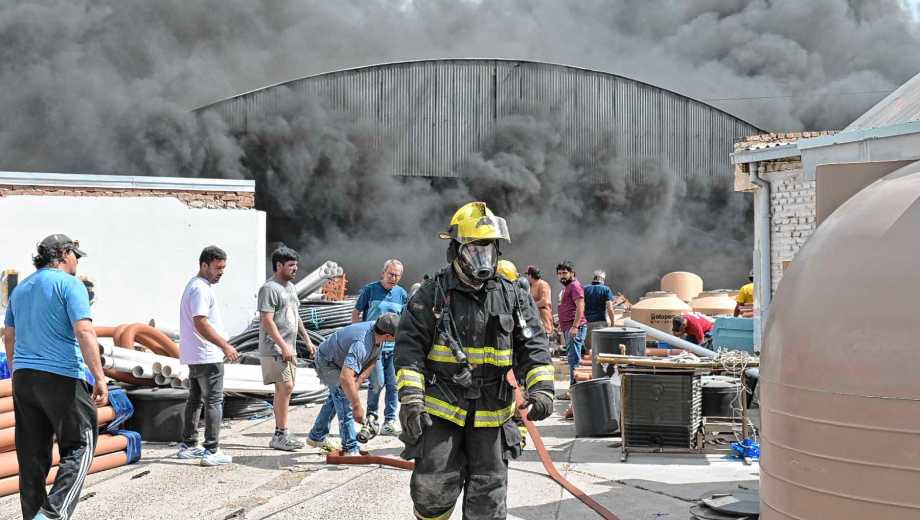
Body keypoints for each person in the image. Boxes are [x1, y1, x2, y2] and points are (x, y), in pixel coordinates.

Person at [395, 202, 555, 520]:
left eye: (488, 251)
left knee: (488, 497)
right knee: (432, 489)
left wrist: (542, 390)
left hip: (493, 412)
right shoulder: (430, 296)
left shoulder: (514, 297)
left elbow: (534, 348)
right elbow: (408, 351)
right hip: (442, 409)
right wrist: (411, 398)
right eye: (474, 252)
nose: (483, 261)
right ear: (455, 252)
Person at [2, 234, 108, 520]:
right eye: (75, 255)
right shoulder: (70, 285)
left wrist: (17, 373)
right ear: (63, 254)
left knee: (32, 456)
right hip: (61, 376)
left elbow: (9, 336)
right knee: (81, 444)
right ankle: (52, 515)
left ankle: (34, 516)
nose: (77, 261)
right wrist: (99, 376)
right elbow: (84, 331)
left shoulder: (20, 290)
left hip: (24, 378)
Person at [176, 246, 239, 466]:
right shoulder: (201, 289)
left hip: (196, 354)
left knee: (194, 399)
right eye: (217, 268)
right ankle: (211, 450)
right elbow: (200, 321)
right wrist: (225, 346)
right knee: (213, 401)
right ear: (204, 265)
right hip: (207, 355)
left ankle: (189, 445)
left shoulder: (194, 286)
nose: (221, 272)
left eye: (223, 268)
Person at [307, 314, 400, 455]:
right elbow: (345, 377)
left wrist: (359, 381)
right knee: (345, 400)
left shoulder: (378, 331)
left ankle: (316, 436)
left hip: (341, 361)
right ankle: (350, 448)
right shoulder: (362, 343)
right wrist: (357, 407)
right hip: (327, 362)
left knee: (337, 397)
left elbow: (373, 359)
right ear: (388, 336)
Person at [258, 246, 316, 451]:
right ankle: (280, 434)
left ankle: (280, 433)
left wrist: (307, 340)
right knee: (286, 387)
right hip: (275, 349)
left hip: (289, 348)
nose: (295, 269)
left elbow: (296, 317)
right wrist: (282, 346)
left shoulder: (290, 288)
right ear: (279, 265)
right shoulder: (269, 289)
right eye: (291, 265)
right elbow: (267, 321)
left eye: (296, 265)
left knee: (285, 389)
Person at [352, 259, 408, 437]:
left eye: (398, 275)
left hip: (394, 348)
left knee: (393, 385)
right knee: (377, 382)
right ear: (383, 273)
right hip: (374, 347)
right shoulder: (370, 290)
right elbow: (356, 312)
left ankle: (389, 421)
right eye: (391, 274)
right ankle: (372, 416)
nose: (394, 278)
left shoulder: (402, 294)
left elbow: (405, 319)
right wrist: (358, 336)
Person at [556, 260, 587, 396]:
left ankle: (574, 393)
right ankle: (574, 391)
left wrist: (575, 326)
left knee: (574, 360)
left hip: (575, 328)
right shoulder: (567, 288)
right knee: (572, 359)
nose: (562, 275)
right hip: (568, 327)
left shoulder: (575, 286)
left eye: (565, 273)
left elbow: (580, 306)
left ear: (572, 273)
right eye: (559, 273)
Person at [583, 270, 617, 354]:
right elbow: (610, 308)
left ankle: (590, 364)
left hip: (587, 323)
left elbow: (580, 306)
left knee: (588, 348)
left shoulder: (585, 289)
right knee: (602, 348)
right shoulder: (606, 289)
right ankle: (601, 366)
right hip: (601, 323)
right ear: (602, 279)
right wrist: (612, 322)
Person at [525, 266, 554, 339]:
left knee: (545, 337)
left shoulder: (543, 284)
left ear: (530, 275)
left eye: (527, 275)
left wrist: (531, 305)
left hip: (543, 318)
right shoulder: (531, 286)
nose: (526, 277)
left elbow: (545, 301)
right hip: (535, 318)